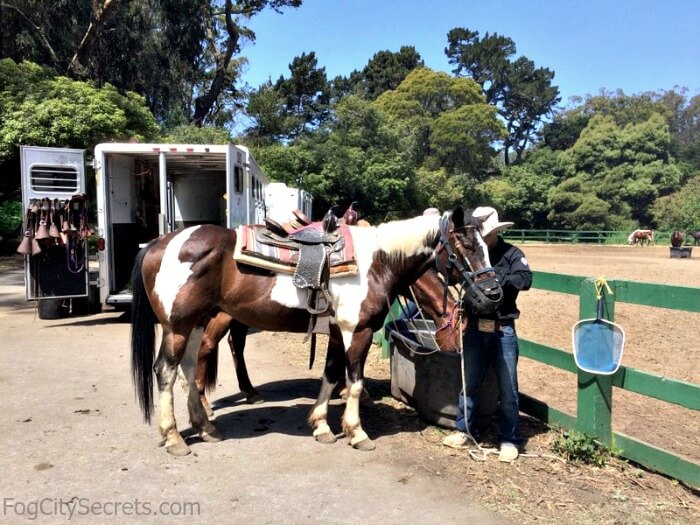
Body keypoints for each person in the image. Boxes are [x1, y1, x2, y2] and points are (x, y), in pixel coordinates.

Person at [442, 206, 532, 462]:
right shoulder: (469, 253)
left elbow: (525, 278)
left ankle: (509, 438)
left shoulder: (512, 253)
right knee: (468, 384)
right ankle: (465, 430)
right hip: (474, 328)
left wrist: (495, 278)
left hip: (502, 328)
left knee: (508, 388)